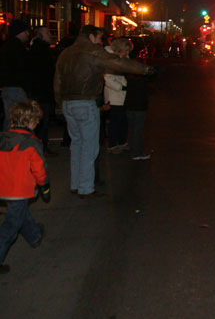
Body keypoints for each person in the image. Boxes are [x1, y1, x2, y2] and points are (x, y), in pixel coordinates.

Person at [54, 25, 154, 198]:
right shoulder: (93, 52)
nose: (101, 42)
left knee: (76, 144)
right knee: (89, 147)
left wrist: (59, 104)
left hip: (68, 103)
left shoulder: (66, 53)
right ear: (91, 37)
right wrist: (146, 70)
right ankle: (86, 187)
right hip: (85, 102)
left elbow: (57, 80)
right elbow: (118, 62)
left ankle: (76, 183)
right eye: (99, 38)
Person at [0, 100, 49, 274]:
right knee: (11, 225)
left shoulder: (3, 139)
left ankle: (34, 235)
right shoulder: (31, 143)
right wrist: (44, 185)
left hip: (3, 187)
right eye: (36, 122)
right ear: (30, 122)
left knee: (20, 212)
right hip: (19, 190)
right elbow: (39, 168)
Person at [28, 27, 58, 156]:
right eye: (47, 32)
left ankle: (40, 147)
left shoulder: (36, 49)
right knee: (41, 121)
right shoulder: (41, 51)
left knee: (40, 121)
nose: (50, 35)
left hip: (39, 91)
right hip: (42, 91)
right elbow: (45, 73)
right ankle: (41, 148)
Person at [0, 20, 31, 131]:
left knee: (11, 118)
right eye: (26, 31)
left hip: (7, 87)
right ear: (20, 32)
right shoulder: (17, 48)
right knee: (21, 118)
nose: (28, 34)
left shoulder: (7, 46)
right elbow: (22, 68)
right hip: (16, 87)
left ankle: (8, 143)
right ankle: (17, 143)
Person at [103, 38, 132, 153]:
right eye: (126, 51)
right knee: (116, 121)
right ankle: (113, 144)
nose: (127, 53)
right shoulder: (110, 60)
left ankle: (121, 142)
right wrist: (121, 86)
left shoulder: (122, 59)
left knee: (122, 121)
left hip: (121, 94)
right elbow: (108, 78)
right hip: (114, 96)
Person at [124, 44, 153, 160]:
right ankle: (137, 152)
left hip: (129, 102)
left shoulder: (127, 72)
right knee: (138, 129)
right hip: (139, 104)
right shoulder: (141, 76)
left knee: (132, 128)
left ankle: (134, 148)